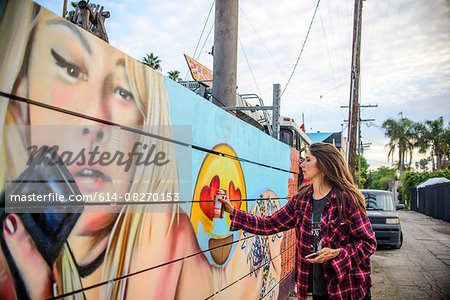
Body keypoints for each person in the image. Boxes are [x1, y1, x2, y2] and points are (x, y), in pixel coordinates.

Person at [220, 142, 377, 300]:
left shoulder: (346, 200)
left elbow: (368, 243)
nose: (302, 164)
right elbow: (268, 224)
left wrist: (337, 253)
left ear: (324, 164)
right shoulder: (301, 201)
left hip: (346, 290)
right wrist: (233, 212)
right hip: (310, 289)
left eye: (308, 160)